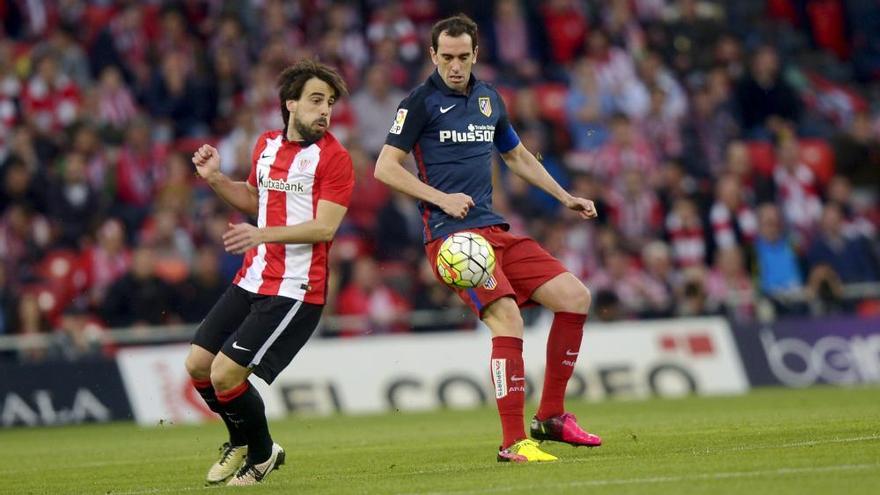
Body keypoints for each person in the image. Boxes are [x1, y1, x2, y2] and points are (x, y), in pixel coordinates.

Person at [374, 14, 602, 463]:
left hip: (494, 230)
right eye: (447, 57)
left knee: (575, 296)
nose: (455, 66)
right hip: (451, 238)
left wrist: (565, 196)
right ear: (432, 55)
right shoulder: (418, 103)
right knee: (508, 321)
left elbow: (515, 155)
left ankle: (552, 417)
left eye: (463, 57)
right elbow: (384, 167)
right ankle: (513, 442)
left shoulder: (489, 98)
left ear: (476, 54)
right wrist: (441, 198)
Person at [184, 59, 353, 486]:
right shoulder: (265, 146)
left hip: (295, 289)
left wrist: (263, 234)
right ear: (290, 104)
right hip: (252, 278)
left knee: (226, 374)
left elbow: (325, 227)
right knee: (198, 365)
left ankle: (260, 455)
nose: (325, 111)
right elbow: (254, 199)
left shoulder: (334, 158)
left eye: (329, 103)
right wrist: (215, 179)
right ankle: (241, 438)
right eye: (316, 100)